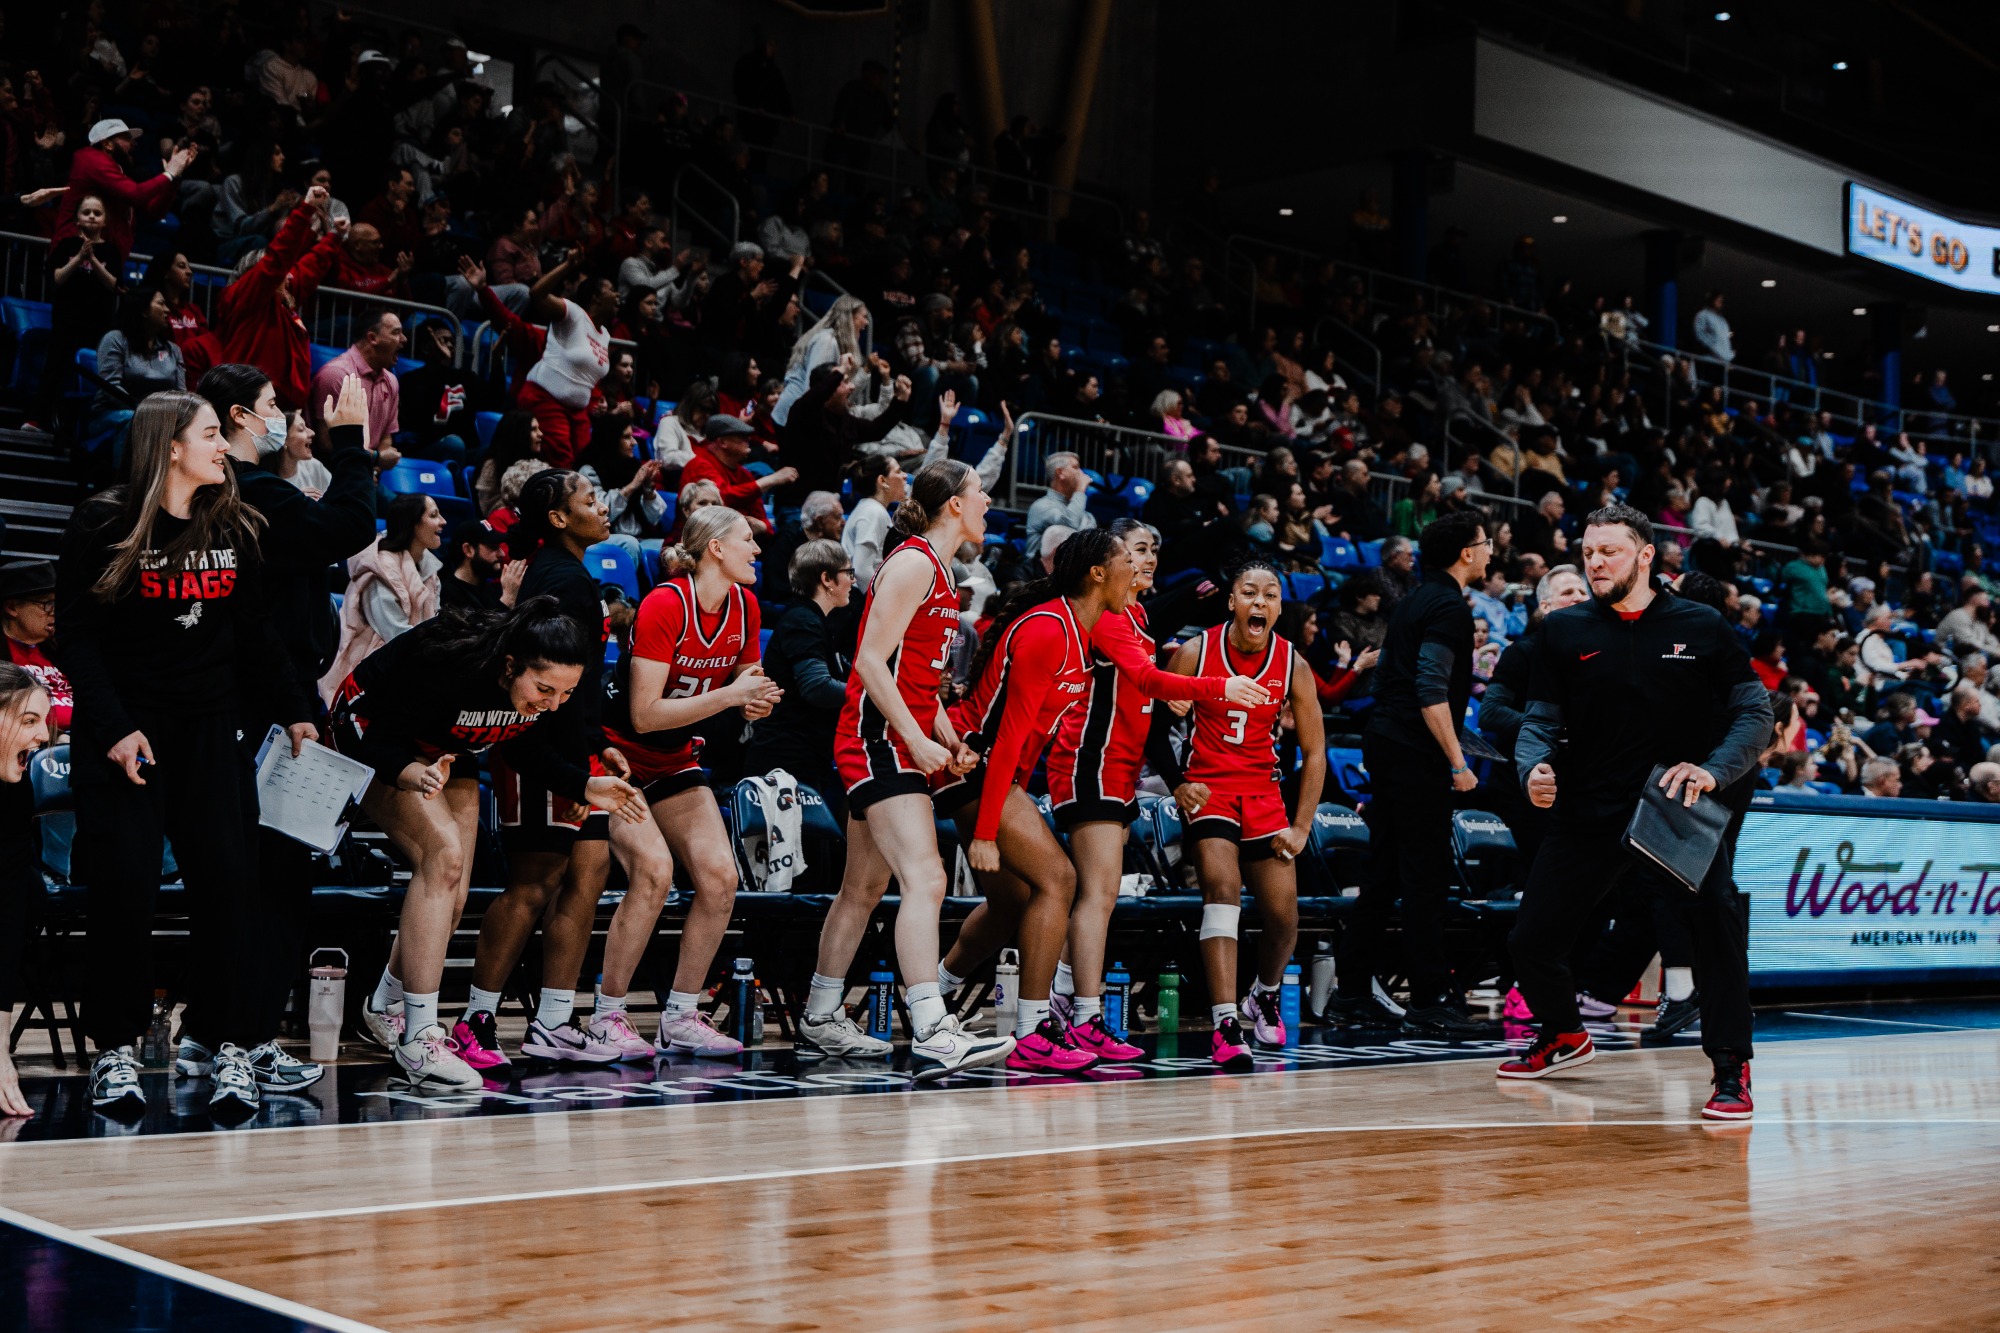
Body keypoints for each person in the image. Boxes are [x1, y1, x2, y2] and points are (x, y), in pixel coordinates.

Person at [56, 392, 317, 1116]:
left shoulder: (233, 522)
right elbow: (73, 638)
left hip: (210, 729)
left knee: (232, 888)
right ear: (169, 445)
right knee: (124, 892)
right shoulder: (102, 521)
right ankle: (116, 1048)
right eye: (210, 434)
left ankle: (225, 1042)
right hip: (125, 738)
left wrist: (297, 707)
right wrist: (112, 727)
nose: (223, 446)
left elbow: (257, 631)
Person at [1504, 504, 1770, 1124]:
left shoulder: (1701, 626)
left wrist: (1713, 770)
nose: (1595, 562)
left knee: (1715, 930)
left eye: (1610, 552)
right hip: (1590, 805)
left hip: (1675, 805)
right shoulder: (1564, 632)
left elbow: (1754, 714)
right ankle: (1565, 1035)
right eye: (1589, 552)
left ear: (1646, 555)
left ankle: (1730, 1068)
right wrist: (1533, 768)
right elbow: (1540, 721)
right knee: (1531, 939)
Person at [331, 598, 645, 1090]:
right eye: (544, 689)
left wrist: (583, 785)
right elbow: (369, 736)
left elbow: (523, 746)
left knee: (453, 889)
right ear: (509, 666)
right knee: (443, 858)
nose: (554, 703)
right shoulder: (444, 661)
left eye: (566, 693)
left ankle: (384, 1003)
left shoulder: (541, 692)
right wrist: (410, 774)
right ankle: (419, 1038)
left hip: (448, 747)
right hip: (370, 736)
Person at [798, 460, 1014, 1075]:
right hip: (876, 738)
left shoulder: (942, 571)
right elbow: (868, 661)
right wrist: (917, 740)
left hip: (898, 736)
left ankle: (819, 1015)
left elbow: (922, 686)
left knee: (862, 890)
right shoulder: (915, 562)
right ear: (953, 503)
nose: (988, 500)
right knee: (927, 878)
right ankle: (930, 1026)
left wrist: (948, 739)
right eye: (979, 492)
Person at [561, 505, 784, 1059]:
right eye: (747, 541)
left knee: (720, 876)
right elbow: (645, 714)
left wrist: (753, 700)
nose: (757, 550)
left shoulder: (746, 605)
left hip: (676, 759)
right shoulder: (666, 602)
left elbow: (744, 681)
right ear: (715, 548)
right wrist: (730, 698)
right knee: (655, 873)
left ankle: (681, 1015)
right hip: (617, 759)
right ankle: (608, 1014)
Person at [1043, 520, 1268, 1059]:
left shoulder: (1139, 617)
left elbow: (1145, 707)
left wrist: (1176, 776)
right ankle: (1082, 1017)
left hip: (1119, 768)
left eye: (1151, 551)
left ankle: (1060, 1002)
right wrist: (1217, 685)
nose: (1146, 560)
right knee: (1097, 895)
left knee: (1097, 894)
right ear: (1108, 562)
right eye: (1136, 551)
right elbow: (1149, 683)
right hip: (1089, 763)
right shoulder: (1112, 619)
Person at [924, 530, 1131, 1072]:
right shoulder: (1046, 630)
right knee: (1059, 880)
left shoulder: (1083, 628)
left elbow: (1149, 677)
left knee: (1013, 901)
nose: (1137, 572)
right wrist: (988, 831)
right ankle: (1034, 1030)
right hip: (974, 767)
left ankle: (933, 993)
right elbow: (1010, 739)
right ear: (1097, 574)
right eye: (1127, 562)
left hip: (992, 773)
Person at [454, 470, 635, 1069]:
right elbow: (536, 686)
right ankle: (475, 1019)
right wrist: (570, 773)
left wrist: (594, 743)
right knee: (534, 882)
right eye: (589, 499)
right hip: (537, 748)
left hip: (568, 748)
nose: (602, 505)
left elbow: (576, 691)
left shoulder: (569, 575)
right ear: (557, 518)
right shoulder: (558, 580)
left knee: (589, 872)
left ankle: (554, 1020)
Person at [1147, 559, 1327, 1068]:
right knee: (1223, 893)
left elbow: (1315, 751)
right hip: (1210, 791)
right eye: (1250, 592)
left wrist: (1301, 825)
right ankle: (1226, 1022)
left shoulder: (1293, 663)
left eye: (1271, 595)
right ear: (1232, 601)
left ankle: (1263, 994)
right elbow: (1154, 724)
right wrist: (1180, 784)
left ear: (1278, 608)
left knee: (1283, 916)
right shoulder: (1195, 650)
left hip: (1264, 795)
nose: (1260, 602)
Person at [1329, 512, 1493, 1035]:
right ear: (1466, 553)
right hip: (1414, 752)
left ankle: (1352, 993)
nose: (1491, 551)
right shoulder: (1447, 605)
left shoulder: (1416, 600)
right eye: (1485, 543)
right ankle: (1428, 998)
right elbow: (1429, 689)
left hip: (1387, 743)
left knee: (1382, 875)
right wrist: (1459, 763)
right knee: (1425, 877)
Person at [745, 539, 855, 805]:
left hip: (802, 758)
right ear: (827, 578)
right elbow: (816, 687)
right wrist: (869, 695)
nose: (853, 581)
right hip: (786, 763)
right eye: (848, 573)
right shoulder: (803, 621)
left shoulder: (813, 620)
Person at [319, 492, 446, 698]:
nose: (443, 522)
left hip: (410, 661)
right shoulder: (380, 569)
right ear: (412, 523)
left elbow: (434, 622)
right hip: (366, 673)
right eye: (434, 515)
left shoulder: (429, 568)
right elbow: (395, 635)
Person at [0, 665, 53, 1117]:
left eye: (45, 723)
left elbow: (6, 920)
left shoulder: (14, 794)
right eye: (29, 721)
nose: (42, 739)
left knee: (23, 894)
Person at [519, 267, 619, 468]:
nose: (618, 295)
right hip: (545, 398)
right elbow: (537, 293)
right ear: (596, 297)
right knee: (563, 464)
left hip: (577, 411)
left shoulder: (605, 335)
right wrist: (568, 264)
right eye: (611, 289)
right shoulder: (573, 314)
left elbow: (586, 377)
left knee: (585, 465)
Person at [308, 307, 406, 456]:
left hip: (368, 470)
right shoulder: (336, 375)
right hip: (334, 470)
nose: (404, 339)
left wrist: (375, 465)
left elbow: (386, 437)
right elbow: (326, 441)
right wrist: (374, 458)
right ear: (373, 338)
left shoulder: (391, 381)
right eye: (396, 332)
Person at [678, 414, 795, 536]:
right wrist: (771, 480)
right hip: (695, 540)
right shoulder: (699, 464)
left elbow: (762, 520)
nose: (748, 440)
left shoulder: (745, 475)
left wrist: (763, 527)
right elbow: (722, 497)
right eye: (742, 437)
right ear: (722, 442)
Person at [92, 285, 185, 430]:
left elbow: (181, 395)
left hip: (158, 420)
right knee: (134, 420)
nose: (167, 309)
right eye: (161, 303)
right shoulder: (115, 340)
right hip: (112, 415)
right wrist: (144, 411)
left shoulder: (173, 350)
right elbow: (110, 388)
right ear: (144, 310)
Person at [843, 454, 906, 588]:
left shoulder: (873, 509)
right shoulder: (873, 512)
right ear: (883, 480)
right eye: (898, 471)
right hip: (859, 599)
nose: (905, 476)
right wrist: (878, 601)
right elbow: (861, 570)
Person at [440, 518, 523, 614]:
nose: (502, 554)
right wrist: (508, 600)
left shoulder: (493, 589)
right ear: (468, 550)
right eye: (493, 547)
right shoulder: (447, 595)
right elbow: (480, 629)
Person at [1025, 451, 1097, 555]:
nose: (1082, 473)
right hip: (1042, 570)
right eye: (1076, 467)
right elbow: (1069, 526)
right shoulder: (1041, 506)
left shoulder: (1087, 515)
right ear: (1060, 473)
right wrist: (1080, 489)